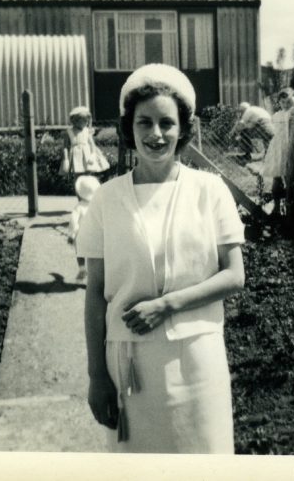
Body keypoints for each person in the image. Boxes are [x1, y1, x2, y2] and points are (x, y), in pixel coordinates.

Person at [77, 63, 245, 453]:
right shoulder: (106, 199)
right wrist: (96, 375)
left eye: (167, 123)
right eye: (144, 123)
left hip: (197, 358)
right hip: (130, 364)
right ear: (128, 129)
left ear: (183, 129)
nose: (155, 134)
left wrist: (167, 305)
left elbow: (234, 275)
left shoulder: (210, 190)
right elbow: (95, 293)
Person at [262, 88, 294, 218]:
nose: (285, 105)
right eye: (282, 102)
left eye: (287, 102)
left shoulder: (289, 113)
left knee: (289, 177)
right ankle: (276, 206)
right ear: (278, 102)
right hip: (276, 148)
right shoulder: (276, 115)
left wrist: (292, 96)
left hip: (287, 147)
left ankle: (290, 207)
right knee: (277, 176)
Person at [59, 106, 110, 182]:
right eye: (84, 121)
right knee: (77, 175)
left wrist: (93, 154)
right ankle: (78, 191)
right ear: (75, 121)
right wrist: (66, 159)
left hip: (87, 155)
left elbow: (92, 144)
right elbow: (65, 147)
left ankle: (87, 190)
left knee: (88, 174)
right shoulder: (69, 132)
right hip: (76, 155)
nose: (86, 123)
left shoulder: (86, 131)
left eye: (87, 121)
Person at [67, 175, 101, 281]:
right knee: (94, 254)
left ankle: (82, 268)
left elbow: (73, 222)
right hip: (95, 235)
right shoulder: (98, 205)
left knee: (80, 252)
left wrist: (71, 235)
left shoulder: (79, 207)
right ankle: (95, 273)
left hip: (82, 236)